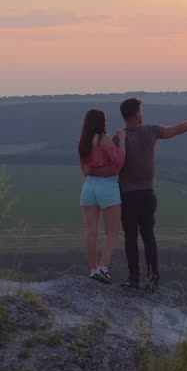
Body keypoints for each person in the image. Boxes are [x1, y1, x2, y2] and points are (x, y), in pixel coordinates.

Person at [86, 97, 187, 292]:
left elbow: (109, 165)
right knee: (148, 237)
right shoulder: (150, 131)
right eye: (140, 111)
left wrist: (91, 172)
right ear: (137, 114)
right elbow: (176, 130)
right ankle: (152, 279)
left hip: (126, 195)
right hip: (146, 193)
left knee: (130, 237)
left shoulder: (119, 138)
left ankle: (133, 279)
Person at [77, 108, 126, 284]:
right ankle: (103, 268)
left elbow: (85, 170)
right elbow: (119, 160)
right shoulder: (104, 139)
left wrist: (95, 171)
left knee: (91, 232)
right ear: (100, 122)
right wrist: (121, 140)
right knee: (112, 231)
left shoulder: (83, 142)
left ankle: (92, 268)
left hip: (88, 187)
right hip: (108, 187)